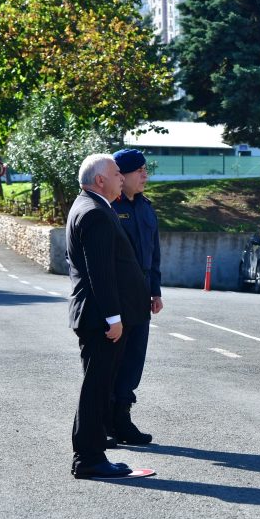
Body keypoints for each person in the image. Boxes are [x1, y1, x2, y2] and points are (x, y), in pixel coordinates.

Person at [66, 154, 151, 478]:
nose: (121, 178)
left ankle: (90, 454)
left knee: (97, 387)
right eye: (116, 173)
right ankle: (89, 458)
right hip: (101, 319)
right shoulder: (95, 212)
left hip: (100, 317)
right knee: (97, 388)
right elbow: (100, 272)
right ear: (100, 179)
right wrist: (113, 319)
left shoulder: (92, 206)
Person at [108, 149, 162, 446]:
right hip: (117, 292)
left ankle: (122, 417)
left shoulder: (145, 207)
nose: (145, 176)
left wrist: (156, 290)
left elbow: (154, 253)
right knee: (112, 359)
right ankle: (105, 418)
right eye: (138, 171)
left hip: (141, 292)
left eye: (145, 170)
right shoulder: (109, 208)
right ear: (122, 175)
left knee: (133, 359)